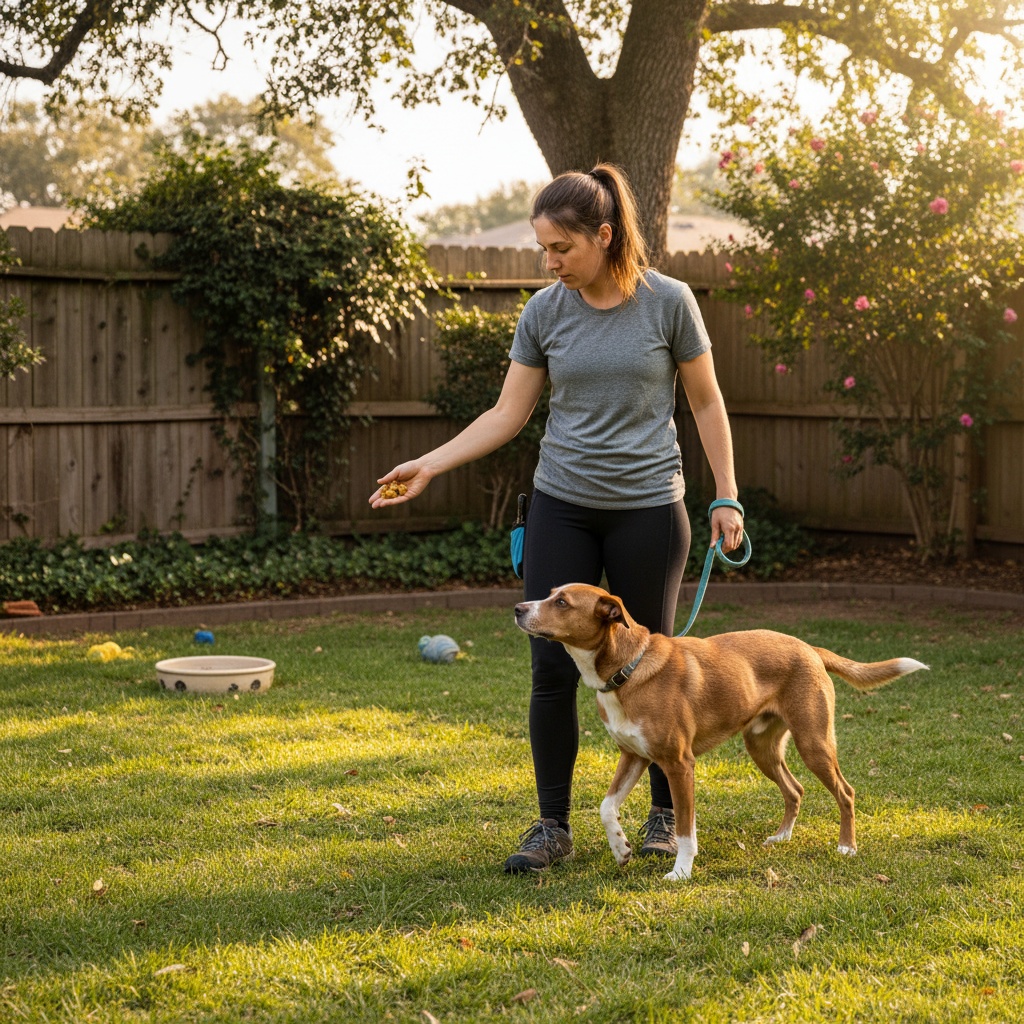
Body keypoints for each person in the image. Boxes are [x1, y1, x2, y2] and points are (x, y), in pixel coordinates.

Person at [370, 164, 743, 874]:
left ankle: (666, 816)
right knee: (550, 670)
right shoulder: (545, 311)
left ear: (604, 237)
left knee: (651, 671)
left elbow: (705, 403)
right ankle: (551, 827)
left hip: (648, 508)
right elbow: (509, 414)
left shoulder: (670, 302)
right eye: (543, 248)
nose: (550, 262)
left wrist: (726, 493)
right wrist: (430, 463)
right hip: (562, 505)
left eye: (561, 248)